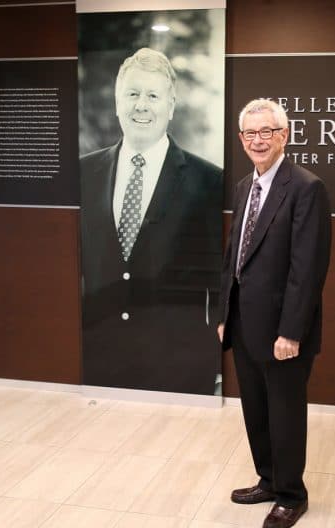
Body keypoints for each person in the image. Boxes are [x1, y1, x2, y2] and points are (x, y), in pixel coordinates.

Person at [80, 47, 223, 395]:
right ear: (117, 103)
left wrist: (219, 363)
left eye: (153, 95)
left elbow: (221, 275)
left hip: (180, 367)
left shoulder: (210, 182)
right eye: (132, 94)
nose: (141, 105)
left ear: (170, 107)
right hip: (99, 361)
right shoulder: (82, 173)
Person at [218, 98, 332, 528]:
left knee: (284, 414)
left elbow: (308, 269)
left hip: (284, 332)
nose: (258, 140)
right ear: (241, 138)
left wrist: (291, 331)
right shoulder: (245, 186)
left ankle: (291, 495)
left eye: (267, 132)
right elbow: (234, 257)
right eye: (250, 133)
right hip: (244, 324)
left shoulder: (306, 187)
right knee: (256, 410)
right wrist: (226, 313)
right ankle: (267, 479)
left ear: (284, 135)